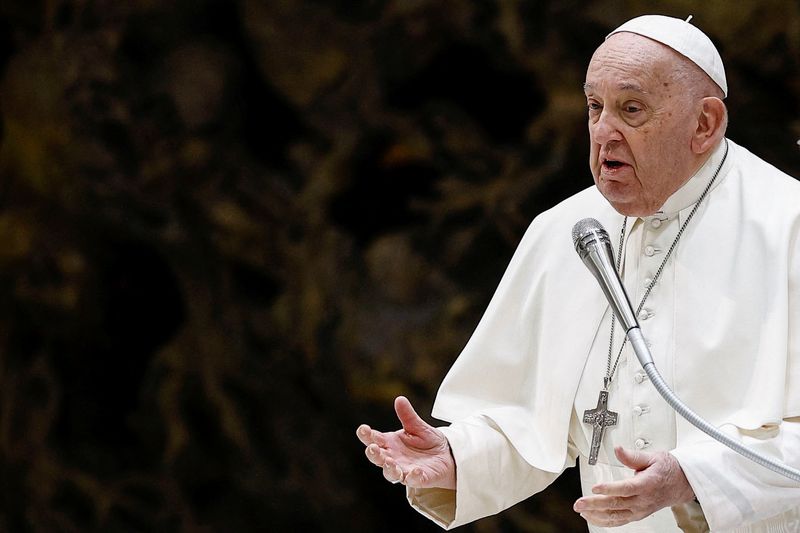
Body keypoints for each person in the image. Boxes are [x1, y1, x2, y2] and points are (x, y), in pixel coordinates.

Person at [357, 14, 800, 532]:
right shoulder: (567, 230)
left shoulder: (788, 225)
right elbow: (533, 424)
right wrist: (458, 457)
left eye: (631, 109)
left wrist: (694, 477)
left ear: (704, 124)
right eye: (595, 106)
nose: (603, 132)